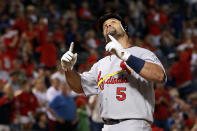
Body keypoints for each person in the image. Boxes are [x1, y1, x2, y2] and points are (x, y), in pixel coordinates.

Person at [61, 13, 166, 131]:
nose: (108, 25)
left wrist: (125, 55)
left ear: (124, 28)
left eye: (113, 22)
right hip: (107, 125)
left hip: (134, 124)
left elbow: (159, 75)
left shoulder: (141, 53)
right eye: (104, 25)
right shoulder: (100, 64)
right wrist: (68, 69)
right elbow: (79, 87)